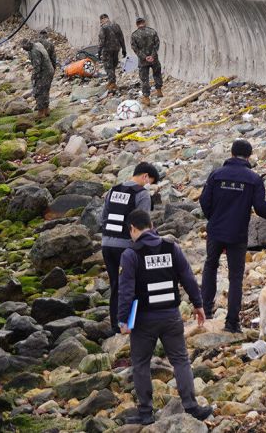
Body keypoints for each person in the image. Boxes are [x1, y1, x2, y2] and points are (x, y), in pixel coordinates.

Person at [117, 209, 213, 425]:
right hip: (171, 315)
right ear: (151, 225)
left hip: (143, 321)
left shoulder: (131, 254)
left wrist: (123, 320)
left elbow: (126, 290)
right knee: (180, 360)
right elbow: (187, 277)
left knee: (140, 363)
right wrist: (198, 304)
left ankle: (145, 413)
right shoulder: (171, 247)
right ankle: (191, 406)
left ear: (133, 229)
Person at [200, 139, 266, 333]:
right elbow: (261, 208)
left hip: (216, 230)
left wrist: (213, 218)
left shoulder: (216, 174)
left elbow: (205, 201)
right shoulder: (253, 179)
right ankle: (232, 323)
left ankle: (206, 311)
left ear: (231, 154)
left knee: (210, 266)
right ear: (248, 156)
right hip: (237, 233)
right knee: (235, 277)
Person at [99, 162, 160, 332]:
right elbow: (143, 223)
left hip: (106, 244)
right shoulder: (142, 195)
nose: (148, 185)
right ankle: (129, 324)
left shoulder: (113, 190)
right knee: (130, 286)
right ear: (145, 176)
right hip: (126, 247)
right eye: (150, 182)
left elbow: (102, 217)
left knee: (115, 285)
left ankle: (115, 326)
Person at [130, 17, 163, 107]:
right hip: (154, 59)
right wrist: (152, 55)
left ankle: (146, 98)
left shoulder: (134, 35)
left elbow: (135, 48)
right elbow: (157, 44)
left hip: (143, 61)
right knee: (157, 74)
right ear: (144, 22)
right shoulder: (152, 31)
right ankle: (159, 91)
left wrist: (145, 57)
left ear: (137, 24)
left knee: (144, 79)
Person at [20, 39, 55, 119]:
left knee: (39, 91)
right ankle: (46, 110)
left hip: (44, 72)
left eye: (24, 48)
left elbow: (37, 67)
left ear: (27, 46)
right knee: (45, 90)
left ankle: (41, 112)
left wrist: (33, 76)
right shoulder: (37, 44)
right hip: (50, 70)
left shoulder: (34, 51)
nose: (24, 50)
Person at [97, 13, 126, 91]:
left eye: (101, 21)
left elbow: (102, 41)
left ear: (102, 20)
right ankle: (112, 82)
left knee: (108, 66)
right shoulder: (116, 25)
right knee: (113, 65)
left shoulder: (104, 28)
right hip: (116, 49)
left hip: (107, 50)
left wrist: (99, 51)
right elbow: (121, 38)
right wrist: (124, 49)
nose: (101, 22)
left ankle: (112, 83)